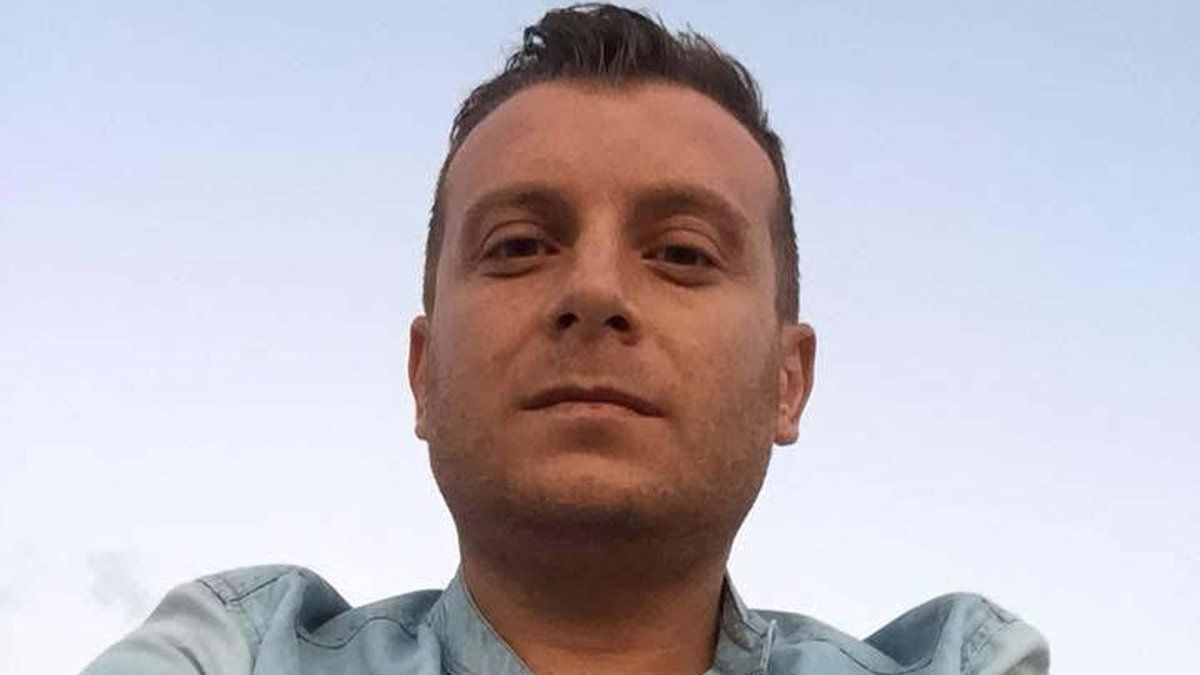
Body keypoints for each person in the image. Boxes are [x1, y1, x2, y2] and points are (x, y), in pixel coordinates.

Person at [81, 4, 1050, 674]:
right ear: (423, 374)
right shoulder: (239, 650)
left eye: (681, 252)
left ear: (788, 382)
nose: (593, 291)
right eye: (518, 245)